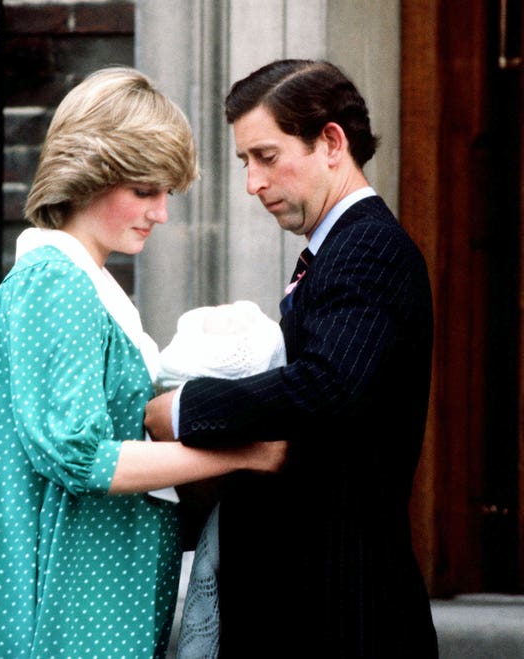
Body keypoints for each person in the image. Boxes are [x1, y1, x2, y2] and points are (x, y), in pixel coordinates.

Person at [0, 66, 287, 659]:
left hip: (100, 596)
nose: (160, 212)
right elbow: (79, 456)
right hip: (69, 611)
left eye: (165, 193)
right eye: (144, 190)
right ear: (88, 175)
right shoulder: (54, 285)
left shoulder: (83, 285)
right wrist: (243, 453)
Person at [145, 59, 439, 658]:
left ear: (332, 142)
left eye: (267, 156)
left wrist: (182, 410)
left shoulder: (368, 247)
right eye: (244, 162)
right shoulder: (336, 250)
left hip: (342, 607)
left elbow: (328, 387)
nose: (253, 183)